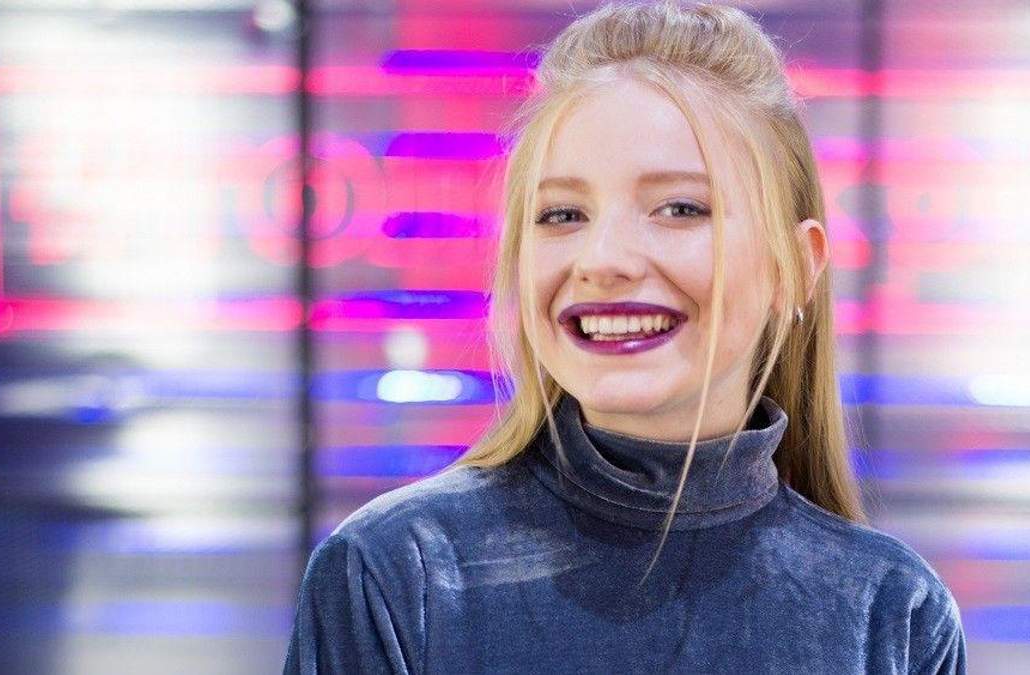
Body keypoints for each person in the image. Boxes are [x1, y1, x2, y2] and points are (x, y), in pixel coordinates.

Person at [283, 1, 967, 673]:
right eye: (562, 214)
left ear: (795, 267)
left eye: (679, 208)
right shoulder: (394, 577)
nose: (603, 259)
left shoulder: (894, 615)